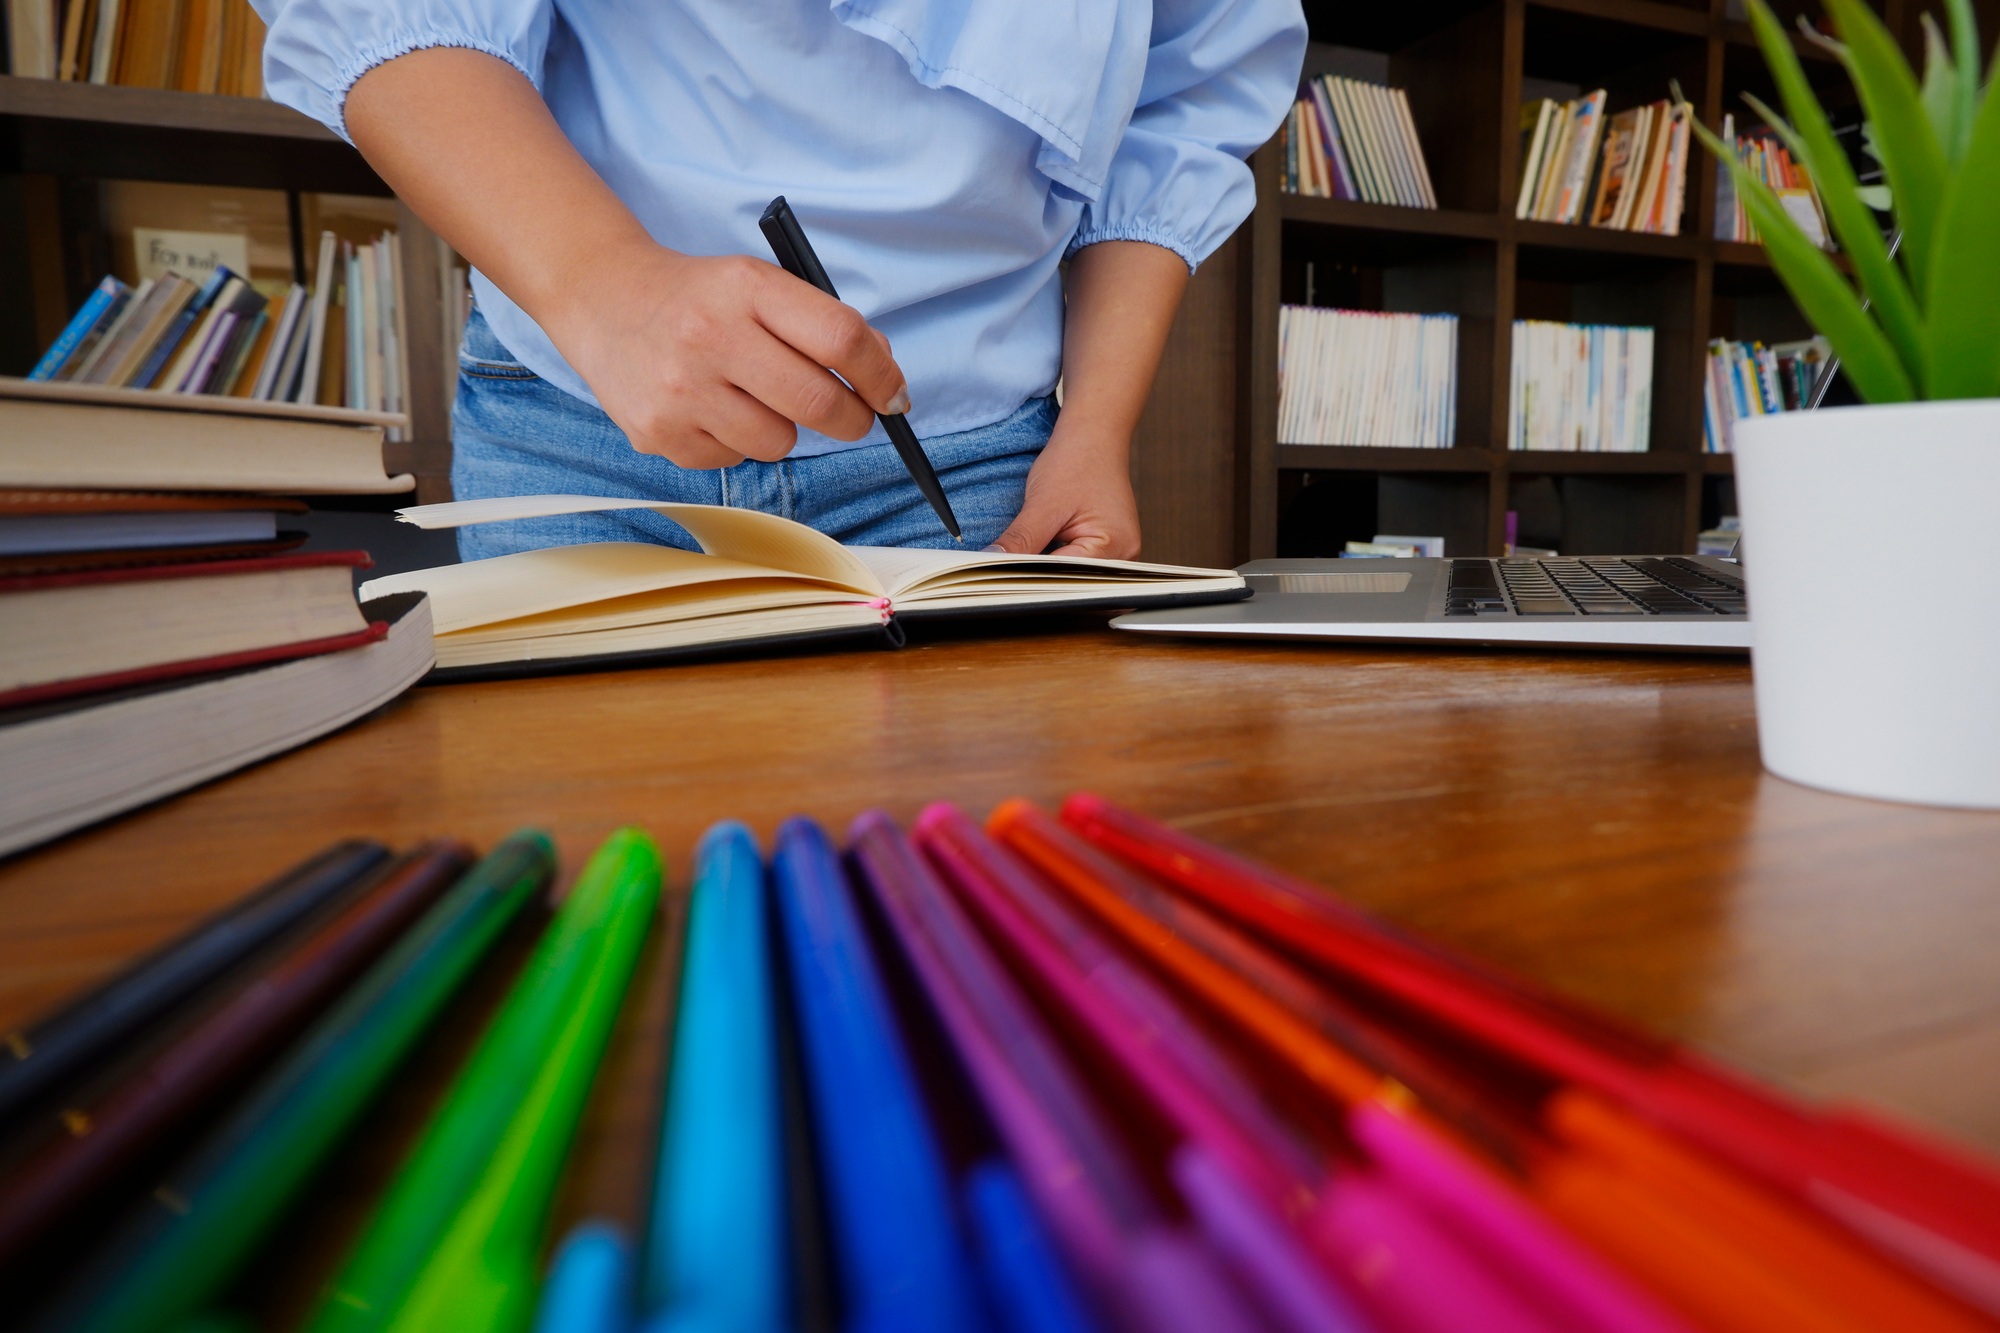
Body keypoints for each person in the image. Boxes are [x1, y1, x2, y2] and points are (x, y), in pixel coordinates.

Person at [255, 0, 1306, 559]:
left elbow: (1183, 103)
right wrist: (603, 285)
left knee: (957, 873)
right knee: (586, 858)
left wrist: (1096, 431)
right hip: (577, 423)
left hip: (975, 462)